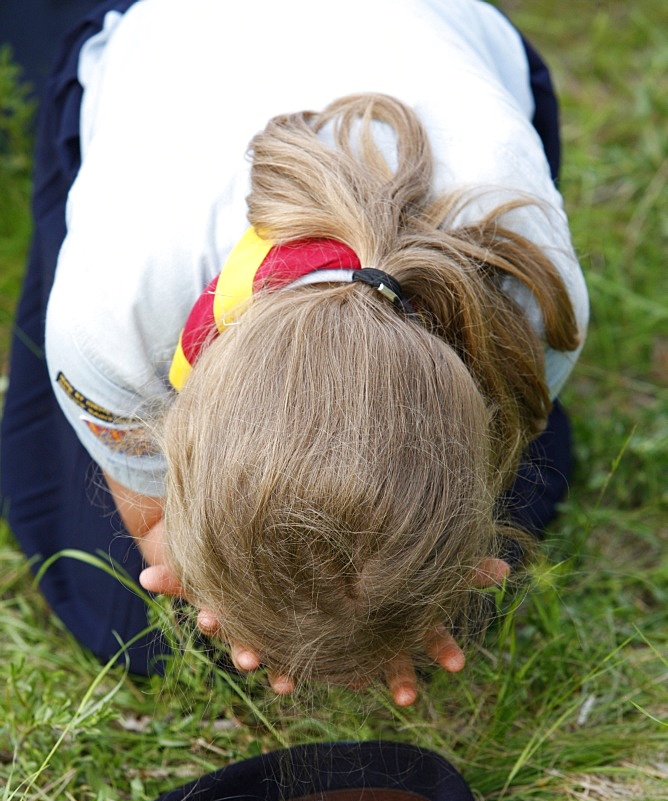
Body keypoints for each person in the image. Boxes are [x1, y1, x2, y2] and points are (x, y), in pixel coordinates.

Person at [0, 0, 588, 704]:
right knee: (123, 614)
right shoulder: (110, 320)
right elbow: (152, 520)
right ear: (178, 432)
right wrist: (203, 570)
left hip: (444, 30)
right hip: (172, 33)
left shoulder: (531, 301)